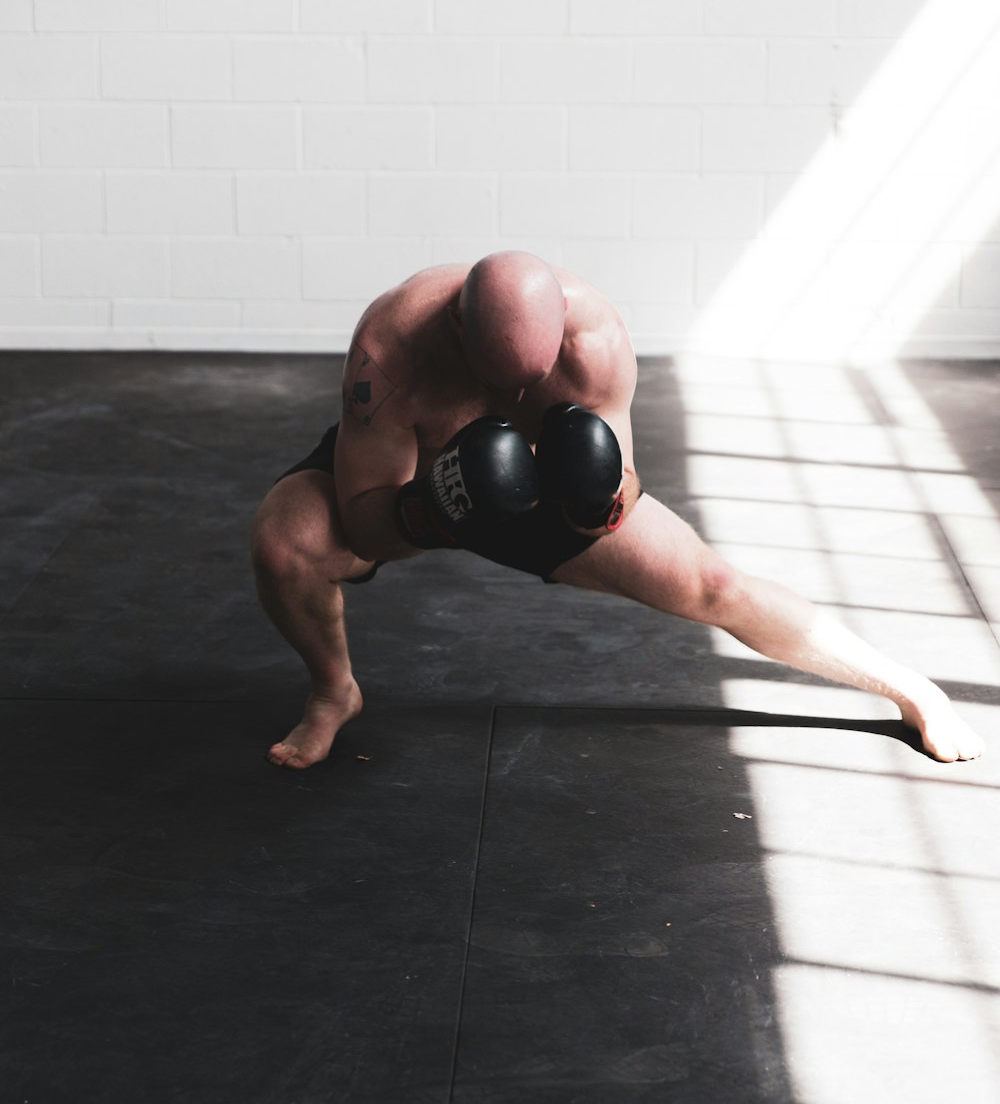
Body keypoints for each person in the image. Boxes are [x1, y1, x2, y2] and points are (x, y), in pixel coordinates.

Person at [250, 251, 984, 769]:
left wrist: (594, 497)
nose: (511, 398)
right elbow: (366, 521)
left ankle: (909, 688)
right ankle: (332, 690)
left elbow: (614, 496)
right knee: (287, 544)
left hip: (542, 478)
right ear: (458, 334)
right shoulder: (391, 349)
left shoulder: (595, 341)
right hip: (414, 480)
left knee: (715, 586)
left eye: (529, 382)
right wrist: (439, 512)